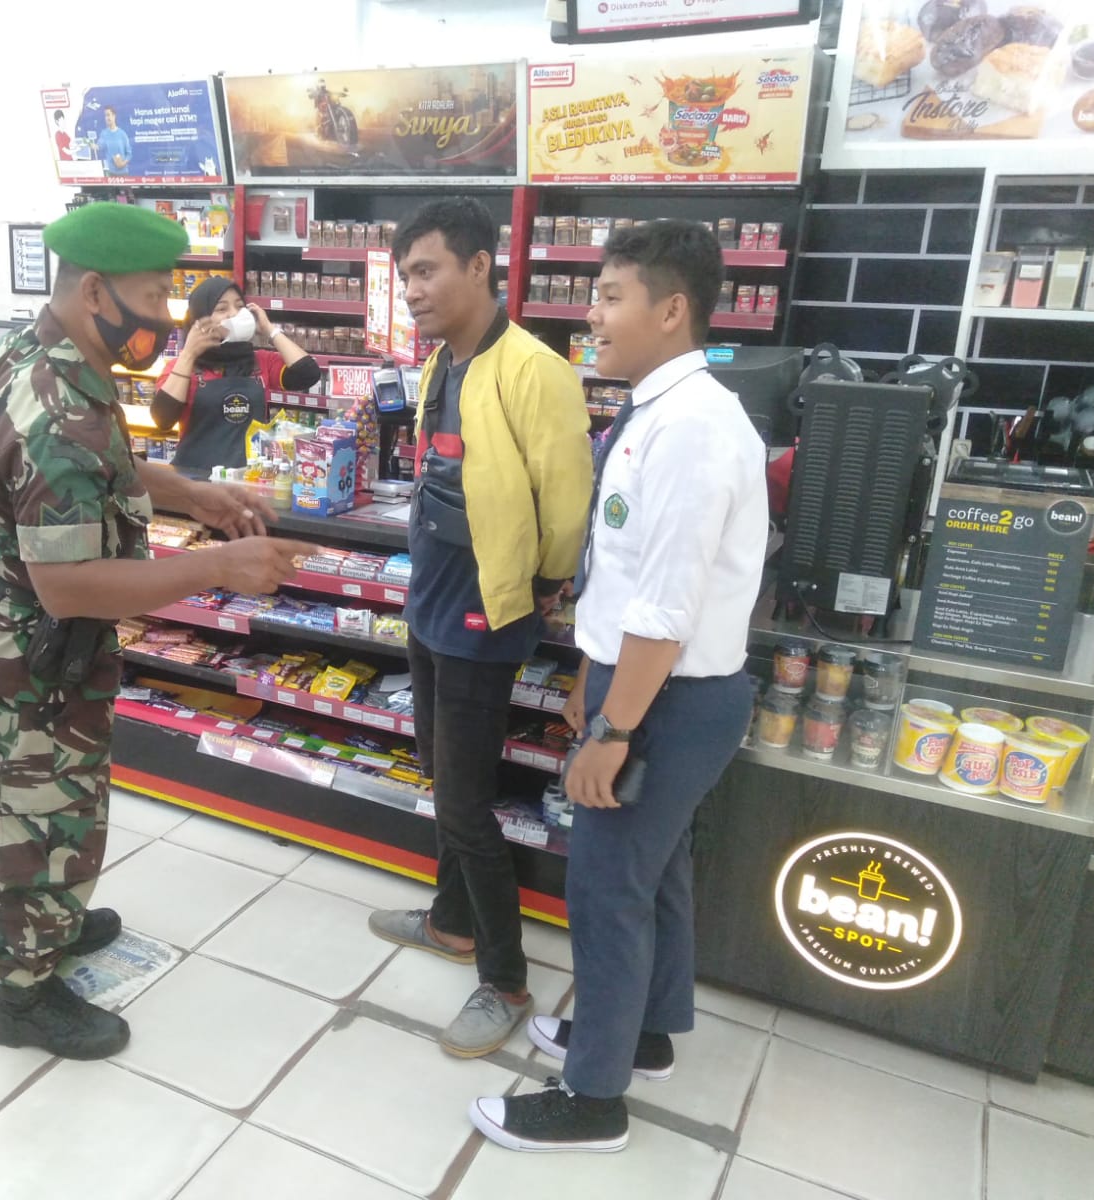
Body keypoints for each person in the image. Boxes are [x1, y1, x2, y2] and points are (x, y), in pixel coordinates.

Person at [0, 202, 317, 1061]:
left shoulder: (51, 356)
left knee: (52, 808)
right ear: (95, 291)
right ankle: (21, 993)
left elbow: (107, 466)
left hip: (22, 641)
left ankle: (53, 918)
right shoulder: (59, 404)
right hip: (30, 654)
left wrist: (194, 495)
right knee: (34, 815)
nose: (163, 319)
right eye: (151, 297)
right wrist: (221, 567)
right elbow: (69, 584)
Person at [468, 219, 767, 1152]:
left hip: (667, 703)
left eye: (609, 297)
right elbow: (627, 576)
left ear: (671, 310)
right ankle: (643, 1034)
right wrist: (592, 681)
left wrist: (612, 730)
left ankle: (592, 1099)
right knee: (655, 873)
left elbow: (667, 610)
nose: (590, 316)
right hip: (641, 690)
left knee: (606, 890)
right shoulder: (656, 413)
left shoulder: (692, 430)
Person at [367, 198, 593, 1058]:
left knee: (464, 802)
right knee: (440, 775)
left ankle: (504, 979)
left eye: (427, 271)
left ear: (478, 267)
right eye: (406, 277)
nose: (414, 291)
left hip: (483, 613)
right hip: (432, 604)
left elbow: (566, 505)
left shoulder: (535, 370)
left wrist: (536, 586)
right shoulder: (440, 364)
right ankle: (452, 921)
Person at [151, 277, 321, 470]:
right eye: (222, 309)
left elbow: (308, 373)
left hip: (246, 479)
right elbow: (163, 419)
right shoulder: (182, 366)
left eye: (240, 306)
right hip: (194, 480)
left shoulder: (259, 362)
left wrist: (270, 330)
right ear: (200, 319)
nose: (234, 313)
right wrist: (189, 354)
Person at [97, 107, 131, 175]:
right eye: (105, 116)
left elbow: (129, 154)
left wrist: (122, 164)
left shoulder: (122, 134)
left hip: (123, 174)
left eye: (108, 115)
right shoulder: (104, 133)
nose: (107, 118)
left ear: (114, 116)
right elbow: (99, 147)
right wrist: (89, 144)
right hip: (110, 173)